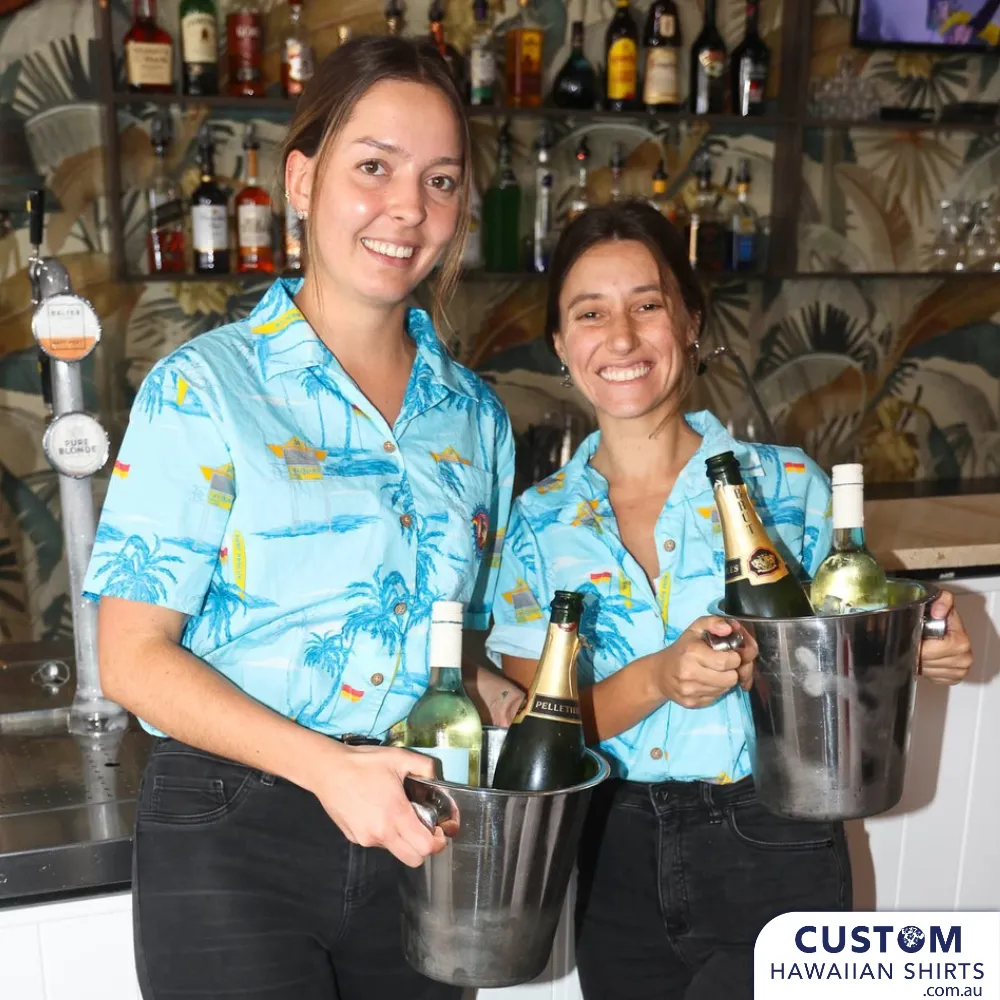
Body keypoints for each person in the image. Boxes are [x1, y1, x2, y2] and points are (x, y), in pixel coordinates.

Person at [83, 36, 518, 1000]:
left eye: (440, 180)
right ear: (302, 178)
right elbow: (132, 657)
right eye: (374, 168)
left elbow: (457, 638)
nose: (408, 209)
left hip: (417, 821)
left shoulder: (476, 417)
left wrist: (500, 696)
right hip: (237, 827)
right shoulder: (204, 388)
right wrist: (329, 770)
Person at [486, 201, 975, 1000]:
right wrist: (655, 678)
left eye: (648, 305)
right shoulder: (537, 523)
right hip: (613, 847)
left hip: (774, 837)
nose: (622, 337)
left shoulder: (787, 488)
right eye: (590, 313)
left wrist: (923, 651)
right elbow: (541, 741)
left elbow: (851, 676)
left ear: (690, 323)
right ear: (562, 349)